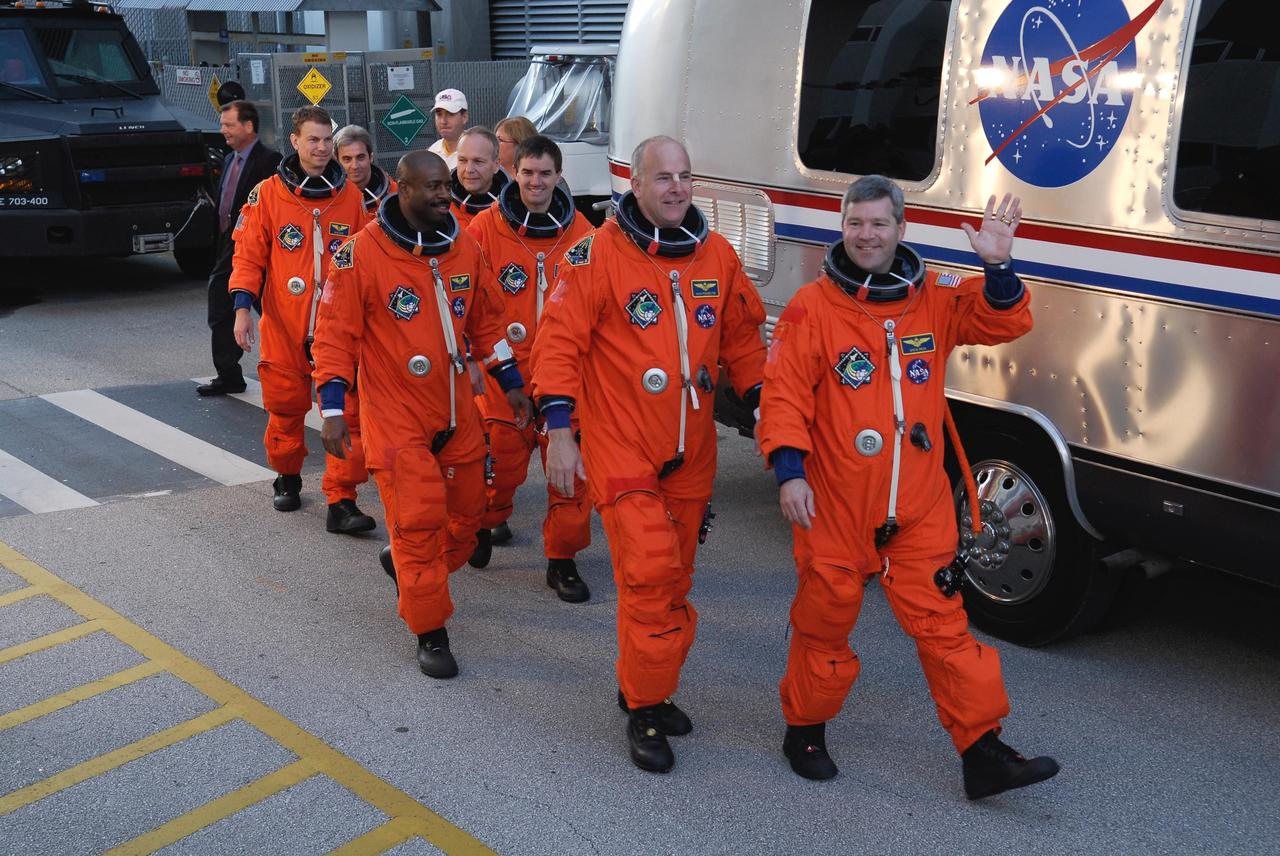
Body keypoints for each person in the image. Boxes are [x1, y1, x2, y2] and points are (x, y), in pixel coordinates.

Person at [756, 174, 1060, 800]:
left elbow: (1003, 321)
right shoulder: (814, 308)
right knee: (825, 622)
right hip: (836, 502)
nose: (866, 235)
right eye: (855, 223)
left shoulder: (933, 299)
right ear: (842, 228)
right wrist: (789, 472)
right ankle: (805, 729)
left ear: (901, 228)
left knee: (944, 628)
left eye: (878, 223)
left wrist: (999, 266)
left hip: (917, 507)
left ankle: (983, 753)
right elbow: (784, 395)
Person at [533, 135, 766, 773]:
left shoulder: (715, 255)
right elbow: (558, 346)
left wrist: (765, 397)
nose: (676, 188)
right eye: (662, 177)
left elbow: (743, 335)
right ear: (633, 183)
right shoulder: (594, 255)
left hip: (691, 449)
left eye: (685, 176)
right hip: (621, 444)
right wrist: (558, 429)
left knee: (677, 580)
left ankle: (648, 684)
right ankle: (643, 706)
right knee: (650, 572)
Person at [311, 151, 534, 678]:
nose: (444, 195)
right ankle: (430, 628)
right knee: (416, 522)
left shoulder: (463, 246)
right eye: (433, 187)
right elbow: (335, 339)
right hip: (397, 418)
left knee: (466, 519)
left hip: (457, 411)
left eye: (447, 186)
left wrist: (512, 383)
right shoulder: (360, 255)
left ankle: (409, 568)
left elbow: (486, 325)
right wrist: (333, 410)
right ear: (402, 189)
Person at [228, 105, 375, 535]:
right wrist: (242, 310)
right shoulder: (268, 195)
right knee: (285, 409)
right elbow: (248, 257)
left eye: (327, 139)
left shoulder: (350, 198)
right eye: (313, 139)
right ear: (294, 142)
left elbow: (367, 262)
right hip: (285, 326)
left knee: (346, 415)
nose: (322, 147)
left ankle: (342, 501)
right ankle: (287, 475)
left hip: (337, 331)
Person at [466, 134, 594, 596]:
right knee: (498, 466)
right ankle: (484, 525)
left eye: (545, 173)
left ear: (559, 176)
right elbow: (465, 301)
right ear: (513, 172)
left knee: (571, 479)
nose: (536, 182)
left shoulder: (585, 236)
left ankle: (562, 559)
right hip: (505, 377)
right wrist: (474, 358)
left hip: (568, 379)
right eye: (527, 173)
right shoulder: (484, 230)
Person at [197, 100, 280, 398]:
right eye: (222, 125)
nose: (223, 131)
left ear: (248, 126)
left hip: (261, 252)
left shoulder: (270, 161)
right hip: (229, 248)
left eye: (229, 125)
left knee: (277, 314)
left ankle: (301, 364)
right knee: (220, 310)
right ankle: (229, 375)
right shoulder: (230, 159)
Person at [450, 126, 509, 231]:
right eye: (463, 160)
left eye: (478, 161)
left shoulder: (512, 211)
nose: (469, 169)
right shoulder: (441, 209)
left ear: (496, 165)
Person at [334, 124, 396, 223]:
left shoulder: (395, 194)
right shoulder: (330, 200)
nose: (354, 166)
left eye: (360, 157)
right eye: (347, 159)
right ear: (337, 161)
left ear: (370, 157)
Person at [428, 88, 468, 170]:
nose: (443, 121)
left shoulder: (477, 150)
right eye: (439, 114)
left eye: (450, 114)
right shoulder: (432, 152)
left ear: (464, 117)